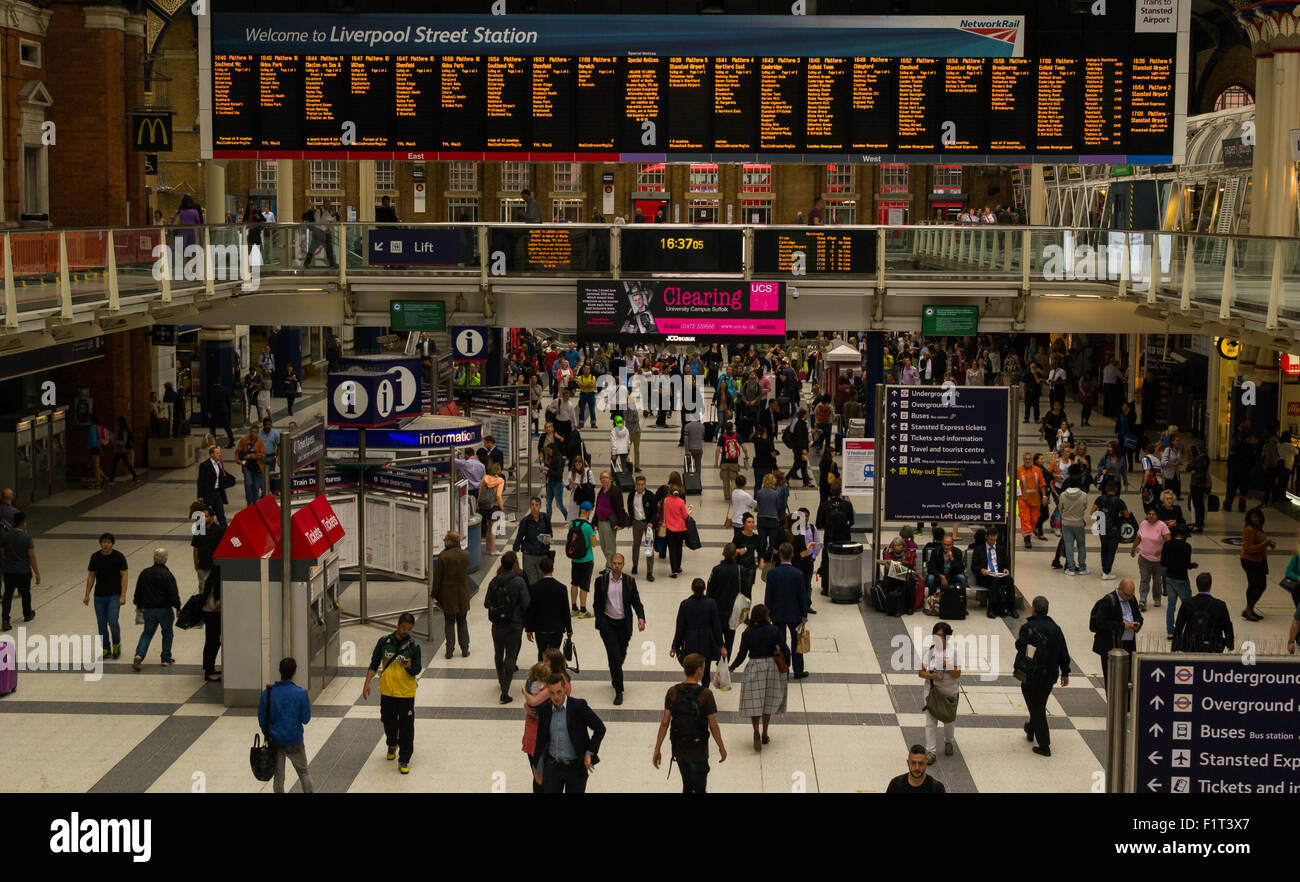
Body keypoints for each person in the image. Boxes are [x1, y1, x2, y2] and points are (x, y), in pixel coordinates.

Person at [653, 653, 727, 793]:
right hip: (698, 751)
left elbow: (664, 722)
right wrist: (721, 747)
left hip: (679, 748)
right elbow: (713, 725)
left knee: (687, 786)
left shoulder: (672, 692)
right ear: (699, 670)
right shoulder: (705, 694)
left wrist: (657, 749)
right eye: (704, 668)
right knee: (699, 789)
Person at [362, 612, 423, 774]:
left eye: (409, 629)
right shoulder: (384, 642)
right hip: (387, 691)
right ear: (398, 625)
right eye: (403, 627)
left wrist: (409, 666)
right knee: (387, 720)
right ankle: (392, 742)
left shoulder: (414, 647)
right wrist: (367, 683)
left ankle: (404, 759)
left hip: (406, 693)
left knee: (406, 728)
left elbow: (417, 669)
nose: (405, 631)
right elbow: (374, 663)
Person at [728, 603, 790, 752]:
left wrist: (732, 667)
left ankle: (755, 729)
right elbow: (786, 650)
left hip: (754, 666)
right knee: (768, 701)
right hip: (772, 667)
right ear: (766, 616)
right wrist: (786, 665)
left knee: (755, 701)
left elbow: (742, 655)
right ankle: (765, 733)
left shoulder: (748, 633)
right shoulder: (774, 630)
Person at [1016, 596, 1071, 757]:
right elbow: (1063, 651)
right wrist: (1065, 672)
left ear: (1033, 609)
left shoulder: (1028, 627)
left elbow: (1020, 647)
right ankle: (1031, 728)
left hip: (1032, 674)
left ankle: (1044, 745)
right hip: (1050, 675)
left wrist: (1020, 639)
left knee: (1037, 707)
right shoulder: (1056, 628)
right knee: (1039, 702)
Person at [533, 671, 606, 793]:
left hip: (576, 767)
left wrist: (589, 752)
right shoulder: (545, 710)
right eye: (551, 693)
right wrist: (536, 767)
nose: (556, 697)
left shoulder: (578, 707)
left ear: (565, 689)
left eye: (559, 692)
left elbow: (600, 728)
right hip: (553, 766)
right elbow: (540, 739)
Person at [592, 552, 645, 705]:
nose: (616, 566)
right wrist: (600, 620)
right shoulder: (600, 582)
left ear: (623, 565)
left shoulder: (629, 581)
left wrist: (641, 618)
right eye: (614, 563)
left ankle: (615, 672)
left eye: (619, 563)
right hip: (608, 624)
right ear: (610, 564)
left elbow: (636, 602)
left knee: (620, 654)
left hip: (624, 625)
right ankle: (618, 690)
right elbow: (597, 603)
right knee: (615, 657)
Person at [257, 657, 314, 793]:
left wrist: (269, 733)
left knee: (279, 778)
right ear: (294, 672)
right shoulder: (300, 693)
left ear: (279, 671)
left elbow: (262, 719)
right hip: (295, 741)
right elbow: (306, 719)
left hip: (275, 742)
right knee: (304, 773)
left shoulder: (268, 693)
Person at [485, 551, 530, 704]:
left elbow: (486, 603)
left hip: (497, 623)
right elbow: (526, 603)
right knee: (510, 656)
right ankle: (505, 691)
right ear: (514, 565)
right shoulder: (519, 581)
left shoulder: (494, 581)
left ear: (501, 565)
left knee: (498, 652)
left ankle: (501, 679)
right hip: (515, 624)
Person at [130, 548, 180, 670]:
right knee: (167, 632)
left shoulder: (144, 573)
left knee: (147, 633)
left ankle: (139, 655)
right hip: (164, 609)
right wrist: (177, 606)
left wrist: (138, 604)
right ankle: (165, 658)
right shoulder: (167, 575)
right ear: (166, 559)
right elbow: (173, 593)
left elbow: (138, 591)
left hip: (148, 609)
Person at [919, 622, 962, 764]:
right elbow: (921, 672)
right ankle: (930, 751)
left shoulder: (954, 652)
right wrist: (933, 676)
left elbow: (957, 674)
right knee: (931, 723)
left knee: (949, 720)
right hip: (932, 693)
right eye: (936, 635)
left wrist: (946, 665)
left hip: (950, 692)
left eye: (941, 636)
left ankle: (948, 742)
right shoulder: (929, 652)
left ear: (947, 638)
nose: (938, 639)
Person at [765, 543, 809, 680]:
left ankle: (782, 668)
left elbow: (768, 596)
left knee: (780, 643)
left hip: (777, 613)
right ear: (792, 555)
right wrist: (804, 614)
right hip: (794, 614)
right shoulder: (798, 574)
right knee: (797, 642)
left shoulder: (772, 574)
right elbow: (802, 596)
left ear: (779, 555)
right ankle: (798, 670)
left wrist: (768, 613)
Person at [672, 577, 726, 685]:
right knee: (705, 671)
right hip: (707, 641)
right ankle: (704, 694)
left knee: (691, 671)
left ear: (692, 588)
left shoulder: (685, 604)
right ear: (704, 589)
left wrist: (675, 645)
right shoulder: (711, 604)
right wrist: (721, 645)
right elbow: (716, 627)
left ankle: (692, 692)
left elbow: (680, 627)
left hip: (691, 641)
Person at [1090, 578, 1142, 686]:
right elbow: (1101, 623)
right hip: (1111, 646)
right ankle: (1113, 702)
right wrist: (1123, 626)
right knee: (1112, 679)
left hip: (1128, 644)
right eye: (1127, 595)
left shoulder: (1132, 599)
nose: (1129, 597)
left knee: (1128, 677)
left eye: (1132, 595)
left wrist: (1137, 624)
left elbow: (1138, 616)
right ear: (1120, 590)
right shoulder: (1108, 601)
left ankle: (1125, 702)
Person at [84, 533, 128, 659]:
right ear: (100, 543)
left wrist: (123, 595)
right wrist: (87, 594)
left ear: (112, 544)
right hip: (99, 596)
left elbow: (124, 576)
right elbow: (91, 575)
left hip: (114, 595)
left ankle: (116, 645)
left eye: (108, 542)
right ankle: (105, 648)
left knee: (113, 621)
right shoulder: (95, 557)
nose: (105, 544)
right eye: (103, 542)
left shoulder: (119, 557)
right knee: (101, 623)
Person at [430, 531, 471, 660]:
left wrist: (434, 594)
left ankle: (449, 650)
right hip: (462, 593)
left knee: (449, 621)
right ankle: (465, 648)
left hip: (448, 594)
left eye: (445, 539)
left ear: (450, 541)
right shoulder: (466, 555)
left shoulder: (443, 556)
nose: (444, 541)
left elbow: (438, 578)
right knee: (462, 620)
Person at [525, 555, 571, 660]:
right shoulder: (561, 588)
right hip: (557, 628)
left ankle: (542, 674)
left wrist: (529, 628)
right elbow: (565, 610)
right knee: (554, 655)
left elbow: (531, 609)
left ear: (540, 570)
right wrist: (569, 628)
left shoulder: (534, 588)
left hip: (540, 628)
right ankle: (554, 675)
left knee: (541, 653)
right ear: (553, 569)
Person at [1173, 572, 1233, 652]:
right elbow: (1227, 626)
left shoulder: (1186, 603)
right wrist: (1230, 645)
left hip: (1190, 645)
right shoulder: (1220, 605)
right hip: (1213, 646)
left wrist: (1175, 647)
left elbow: (1179, 625)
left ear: (1197, 585)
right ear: (1210, 586)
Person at [0, 511, 39, 630]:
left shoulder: (6, 536)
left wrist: (10, 559)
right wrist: (37, 573)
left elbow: (2, 552)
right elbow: (31, 556)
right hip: (23, 571)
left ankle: (5, 619)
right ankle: (27, 614)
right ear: (23, 523)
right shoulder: (26, 538)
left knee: (7, 594)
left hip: (9, 571)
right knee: (26, 593)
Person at [1159, 524, 1196, 639]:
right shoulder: (1187, 547)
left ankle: (1170, 632)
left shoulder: (1167, 544)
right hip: (1182, 580)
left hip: (1169, 578)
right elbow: (1186, 564)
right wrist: (1192, 565)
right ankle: (1189, 631)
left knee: (1171, 606)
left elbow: (1163, 562)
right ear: (1184, 535)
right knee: (1188, 605)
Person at [972, 525, 1016, 619]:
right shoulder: (979, 549)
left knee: (1009, 580)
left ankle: (1012, 607)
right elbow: (973, 566)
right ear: (986, 537)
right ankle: (991, 608)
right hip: (986, 576)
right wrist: (981, 570)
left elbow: (1006, 563)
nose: (992, 542)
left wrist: (1006, 569)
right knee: (994, 581)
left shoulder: (1000, 548)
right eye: (991, 540)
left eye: (994, 540)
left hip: (998, 574)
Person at [1090, 480, 1131, 581]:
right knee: (1111, 551)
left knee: (1104, 549)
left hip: (1102, 527)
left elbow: (1092, 512)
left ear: (1106, 489)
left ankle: (1104, 570)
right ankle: (1107, 572)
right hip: (1114, 528)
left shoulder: (1100, 499)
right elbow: (1126, 515)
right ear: (1116, 489)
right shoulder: (1119, 501)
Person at [1131, 507, 1170, 611]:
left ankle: (1157, 598)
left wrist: (1161, 550)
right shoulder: (1143, 524)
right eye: (1149, 514)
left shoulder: (1162, 525)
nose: (1151, 516)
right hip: (1144, 558)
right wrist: (1133, 548)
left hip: (1158, 561)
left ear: (1157, 516)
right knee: (1144, 579)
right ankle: (1142, 600)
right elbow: (1139, 537)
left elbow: (1168, 539)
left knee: (1157, 581)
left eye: (1153, 514)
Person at [1239, 507, 1275, 621]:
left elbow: (1259, 543)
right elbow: (1248, 549)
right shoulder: (1249, 529)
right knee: (1259, 585)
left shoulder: (1257, 528)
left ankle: (1250, 609)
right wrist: (1264, 544)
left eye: (1257, 517)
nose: (1256, 519)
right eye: (1253, 517)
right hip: (1250, 561)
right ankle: (1248, 609)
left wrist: (1267, 544)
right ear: (1249, 518)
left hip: (1258, 560)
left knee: (1253, 585)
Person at [566, 501, 598, 617]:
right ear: (588, 511)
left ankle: (574, 608)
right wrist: (594, 533)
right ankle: (583, 610)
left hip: (575, 559)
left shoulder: (572, 524)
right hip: (587, 559)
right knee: (584, 585)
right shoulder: (588, 527)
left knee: (574, 583)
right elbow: (594, 544)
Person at [659, 473, 694, 578]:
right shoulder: (681, 502)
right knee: (679, 548)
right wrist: (690, 511)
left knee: (672, 549)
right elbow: (685, 516)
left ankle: (673, 570)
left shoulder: (665, 501)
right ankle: (678, 567)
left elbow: (660, 513)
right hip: (680, 529)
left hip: (669, 529)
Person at [512, 497, 552, 586]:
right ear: (530, 506)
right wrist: (514, 552)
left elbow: (550, 534)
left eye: (537, 505)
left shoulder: (545, 518)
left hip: (542, 555)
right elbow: (519, 537)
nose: (534, 507)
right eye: (532, 505)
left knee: (542, 582)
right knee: (532, 582)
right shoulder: (525, 521)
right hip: (529, 555)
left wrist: (547, 540)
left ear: (540, 506)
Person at [627, 474, 659, 581]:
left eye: (642, 485)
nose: (640, 487)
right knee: (635, 545)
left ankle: (649, 572)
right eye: (638, 484)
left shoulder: (650, 495)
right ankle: (635, 565)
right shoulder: (631, 495)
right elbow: (629, 507)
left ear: (645, 485)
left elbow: (655, 511)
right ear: (635, 485)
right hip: (636, 523)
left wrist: (651, 522)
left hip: (648, 524)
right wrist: (631, 520)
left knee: (649, 548)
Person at [592, 470, 626, 569]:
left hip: (609, 523)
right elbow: (597, 507)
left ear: (610, 479)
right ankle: (609, 564)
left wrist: (621, 523)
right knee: (603, 546)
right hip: (600, 522)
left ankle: (610, 568)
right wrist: (594, 522)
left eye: (606, 477)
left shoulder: (615, 491)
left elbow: (620, 508)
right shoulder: (601, 491)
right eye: (602, 477)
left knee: (610, 548)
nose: (604, 479)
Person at [1058, 475, 1090, 575]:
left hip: (1066, 523)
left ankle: (1071, 568)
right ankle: (1082, 568)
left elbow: (1060, 508)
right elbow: (1084, 507)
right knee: (1081, 545)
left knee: (1069, 545)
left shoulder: (1063, 495)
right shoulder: (1084, 495)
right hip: (1079, 522)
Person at [1016, 451, 1046, 548]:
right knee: (1025, 520)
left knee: (1034, 519)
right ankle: (1027, 539)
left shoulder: (1037, 470)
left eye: (1029, 459)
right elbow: (1014, 484)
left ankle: (1030, 532)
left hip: (1035, 500)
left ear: (1032, 460)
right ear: (1023, 460)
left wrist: (1044, 496)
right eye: (1026, 459)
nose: (1028, 460)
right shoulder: (1019, 470)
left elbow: (1042, 484)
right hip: (1023, 500)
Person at [715, 420, 748, 506]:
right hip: (734, 461)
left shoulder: (722, 437)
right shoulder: (737, 436)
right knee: (733, 479)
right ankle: (733, 496)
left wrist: (716, 462)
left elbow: (718, 450)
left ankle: (727, 496)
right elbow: (744, 447)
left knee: (725, 479)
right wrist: (746, 455)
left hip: (724, 461)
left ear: (725, 428)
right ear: (732, 428)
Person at [234, 425, 266, 506]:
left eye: (255, 432)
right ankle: (249, 501)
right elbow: (237, 452)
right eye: (251, 432)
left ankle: (255, 502)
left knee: (256, 486)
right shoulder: (244, 440)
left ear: (257, 433)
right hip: (247, 466)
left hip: (257, 467)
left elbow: (262, 454)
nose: (253, 434)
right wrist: (237, 460)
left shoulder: (260, 442)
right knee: (248, 483)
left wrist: (251, 456)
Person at [106, 416, 139, 483]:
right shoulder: (122, 429)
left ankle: (111, 478)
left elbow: (124, 441)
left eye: (118, 422)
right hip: (121, 450)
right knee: (126, 463)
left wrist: (115, 441)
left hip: (122, 450)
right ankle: (135, 476)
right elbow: (120, 438)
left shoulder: (124, 430)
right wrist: (112, 436)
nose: (117, 424)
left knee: (115, 463)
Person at [206, 379, 235, 448]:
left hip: (214, 410)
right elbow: (228, 400)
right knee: (227, 426)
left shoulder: (211, 390)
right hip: (224, 409)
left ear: (213, 382)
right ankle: (231, 440)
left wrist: (209, 411)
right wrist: (228, 409)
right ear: (220, 382)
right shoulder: (224, 390)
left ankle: (213, 443)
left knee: (213, 427)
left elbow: (209, 402)